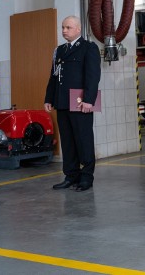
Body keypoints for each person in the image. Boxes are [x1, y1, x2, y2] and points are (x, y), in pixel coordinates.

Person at [45, 16, 101, 192]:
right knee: (68, 141)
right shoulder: (59, 51)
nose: (64, 31)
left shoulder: (88, 48)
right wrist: (49, 98)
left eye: (68, 27)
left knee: (83, 139)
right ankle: (71, 176)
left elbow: (93, 77)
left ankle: (86, 177)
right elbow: (54, 76)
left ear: (78, 29)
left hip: (80, 102)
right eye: (62, 27)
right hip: (62, 102)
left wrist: (89, 100)